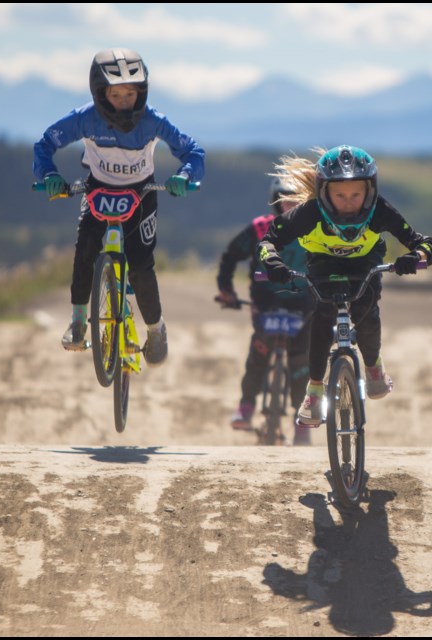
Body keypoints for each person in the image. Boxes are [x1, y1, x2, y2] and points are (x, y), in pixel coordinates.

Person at [32, 48, 205, 367]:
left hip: (141, 194)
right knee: (85, 250)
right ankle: (78, 321)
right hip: (98, 189)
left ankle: (156, 329)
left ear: (142, 92)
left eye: (131, 92)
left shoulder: (154, 120)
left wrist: (184, 175)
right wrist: (50, 175)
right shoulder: (84, 118)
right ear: (100, 93)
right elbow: (45, 145)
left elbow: (193, 151)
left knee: (140, 264)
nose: (125, 100)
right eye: (116, 93)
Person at [257, 145, 432, 426]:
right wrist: (273, 264)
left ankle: (374, 365)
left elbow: (424, 243)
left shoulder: (380, 211)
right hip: (322, 262)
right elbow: (268, 241)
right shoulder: (308, 213)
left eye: (356, 193)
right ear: (324, 192)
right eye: (340, 194)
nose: (349, 201)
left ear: (370, 190)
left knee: (366, 311)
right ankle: (314, 391)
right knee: (323, 315)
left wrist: (414, 257)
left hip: (366, 263)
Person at [216, 176, 314, 445]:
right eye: (285, 199)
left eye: (298, 199)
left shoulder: (318, 230)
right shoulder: (260, 229)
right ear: (276, 202)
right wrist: (226, 289)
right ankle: (246, 407)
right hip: (265, 303)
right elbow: (230, 256)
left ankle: (302, 421)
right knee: (259, 353)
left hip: (305, 305)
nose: (291, 204)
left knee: (300, 363)